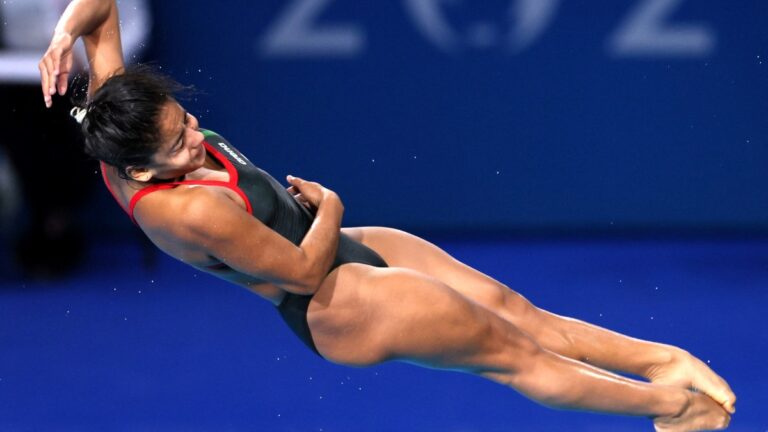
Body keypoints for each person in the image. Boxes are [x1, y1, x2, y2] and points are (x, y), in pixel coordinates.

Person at [39, 1, 735, 430]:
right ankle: (673, 410)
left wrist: (63, 33)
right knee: (512, 356)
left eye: (187, 118)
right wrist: (334, 204)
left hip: (346, 250)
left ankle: (666, 362)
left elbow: (100, 6)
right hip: (340, 304)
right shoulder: (189, 213)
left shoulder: (117, 119)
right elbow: (306, 274)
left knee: (518, 310)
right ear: (142, 172)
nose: (195, 135)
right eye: (180, 142)